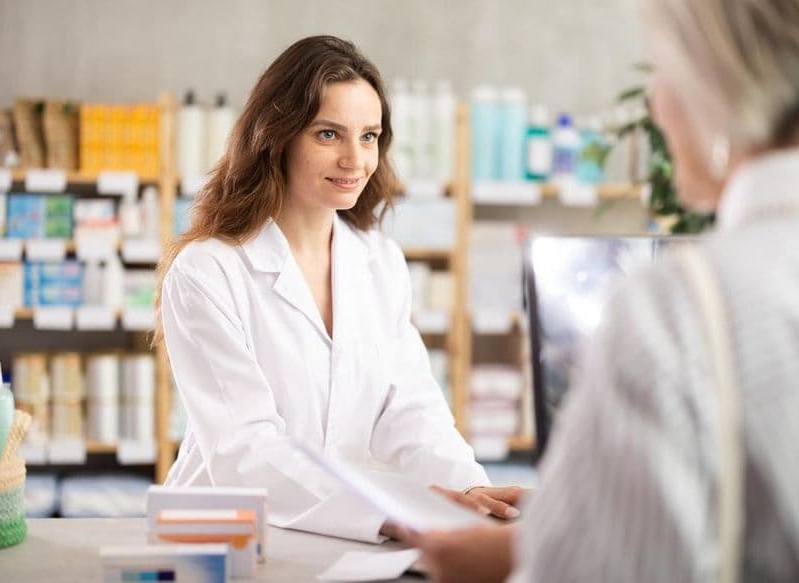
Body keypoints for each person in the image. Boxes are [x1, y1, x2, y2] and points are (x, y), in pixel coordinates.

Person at [409, 0, 799, 580]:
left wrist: (508, 565)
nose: (652, 104)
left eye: (662, 71)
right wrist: (579, 515)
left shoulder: (680, 307)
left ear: (711, 82)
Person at [153, 35, 522, 543]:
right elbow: (247, 452)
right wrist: (391, 511)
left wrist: (473, 495)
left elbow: (410, 410)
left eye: (369, 136)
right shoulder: (208, 272)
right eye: (329, 134)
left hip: (343, 534)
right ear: (275, 137)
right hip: (221, 538)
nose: (355, 158)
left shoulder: (380, 262)